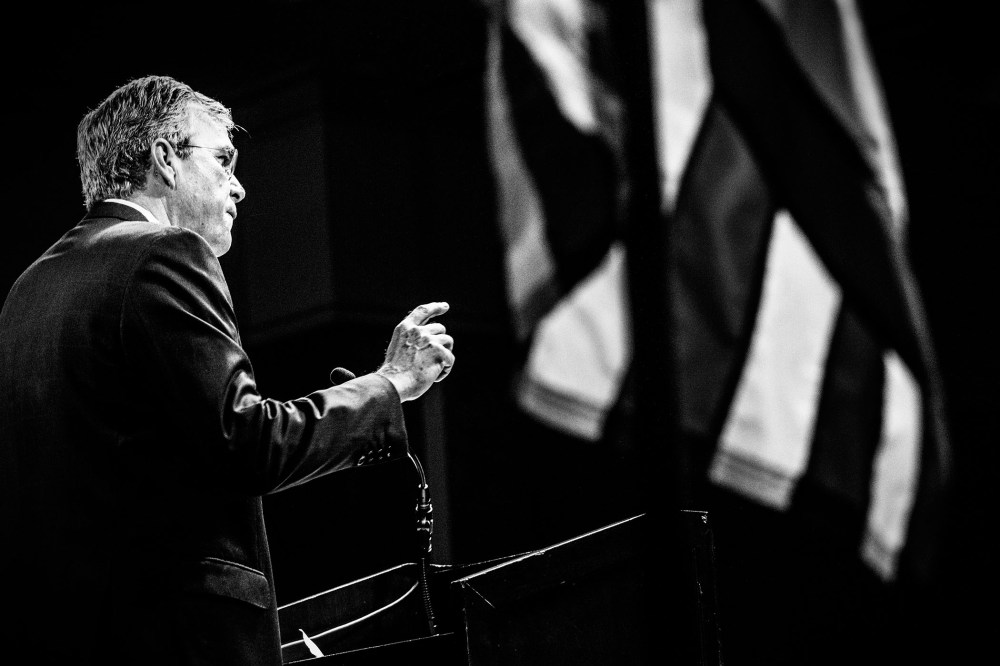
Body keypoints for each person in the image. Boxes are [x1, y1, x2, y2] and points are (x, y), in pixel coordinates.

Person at [0, 74, 455, 665]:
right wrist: (390, 384)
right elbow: (248, 443)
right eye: (222, 160)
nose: (238, 188)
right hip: (177, 638)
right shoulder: (164, 252)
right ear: (164, 159)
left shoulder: (25, 291)